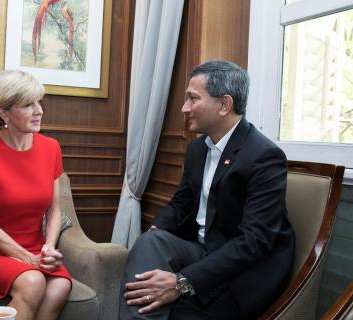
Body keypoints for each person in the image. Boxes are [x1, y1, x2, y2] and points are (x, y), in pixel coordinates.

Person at [119, 60, 295, 320]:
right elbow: (182, 203)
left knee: (174, 310)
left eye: (192, 99)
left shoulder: (264, 156)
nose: (184, 108)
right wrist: (160, 226)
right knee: (150, 241)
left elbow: (254, 243)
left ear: (224, 105)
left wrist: (180, 282)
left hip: (243, 272)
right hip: (202, 249)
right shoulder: (198, 149)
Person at [0, 70, 71, 320]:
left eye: (39, 102)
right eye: (27, 104)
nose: (39, 110)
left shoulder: (51, 148)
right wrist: (28, 260)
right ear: (3, 111)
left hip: (36, 250)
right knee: (33, 282)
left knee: (60, 287)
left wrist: (48, 250)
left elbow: (54, 210)